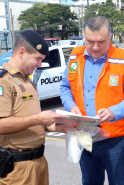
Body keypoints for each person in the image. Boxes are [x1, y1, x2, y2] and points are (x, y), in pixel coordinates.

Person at [60, 16, 124, 184]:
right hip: (84, 134)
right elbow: (65, 88)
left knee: (119, 181)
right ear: (84, 37)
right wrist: (71, 106)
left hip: (115, 139)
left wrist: (114, 112)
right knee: (90, 181)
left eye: (101, 42)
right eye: (90, 41)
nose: (95, 47)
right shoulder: (75, 58)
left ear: (110, 37)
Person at [0, 30, 70, 185]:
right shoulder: (4, 81)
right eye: (38, 59)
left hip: (38, 162)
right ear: (22, 52)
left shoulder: (27, 81)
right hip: (17, 168)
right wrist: (38, 118)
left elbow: (33, 124)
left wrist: (61, 126)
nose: (40, 64)